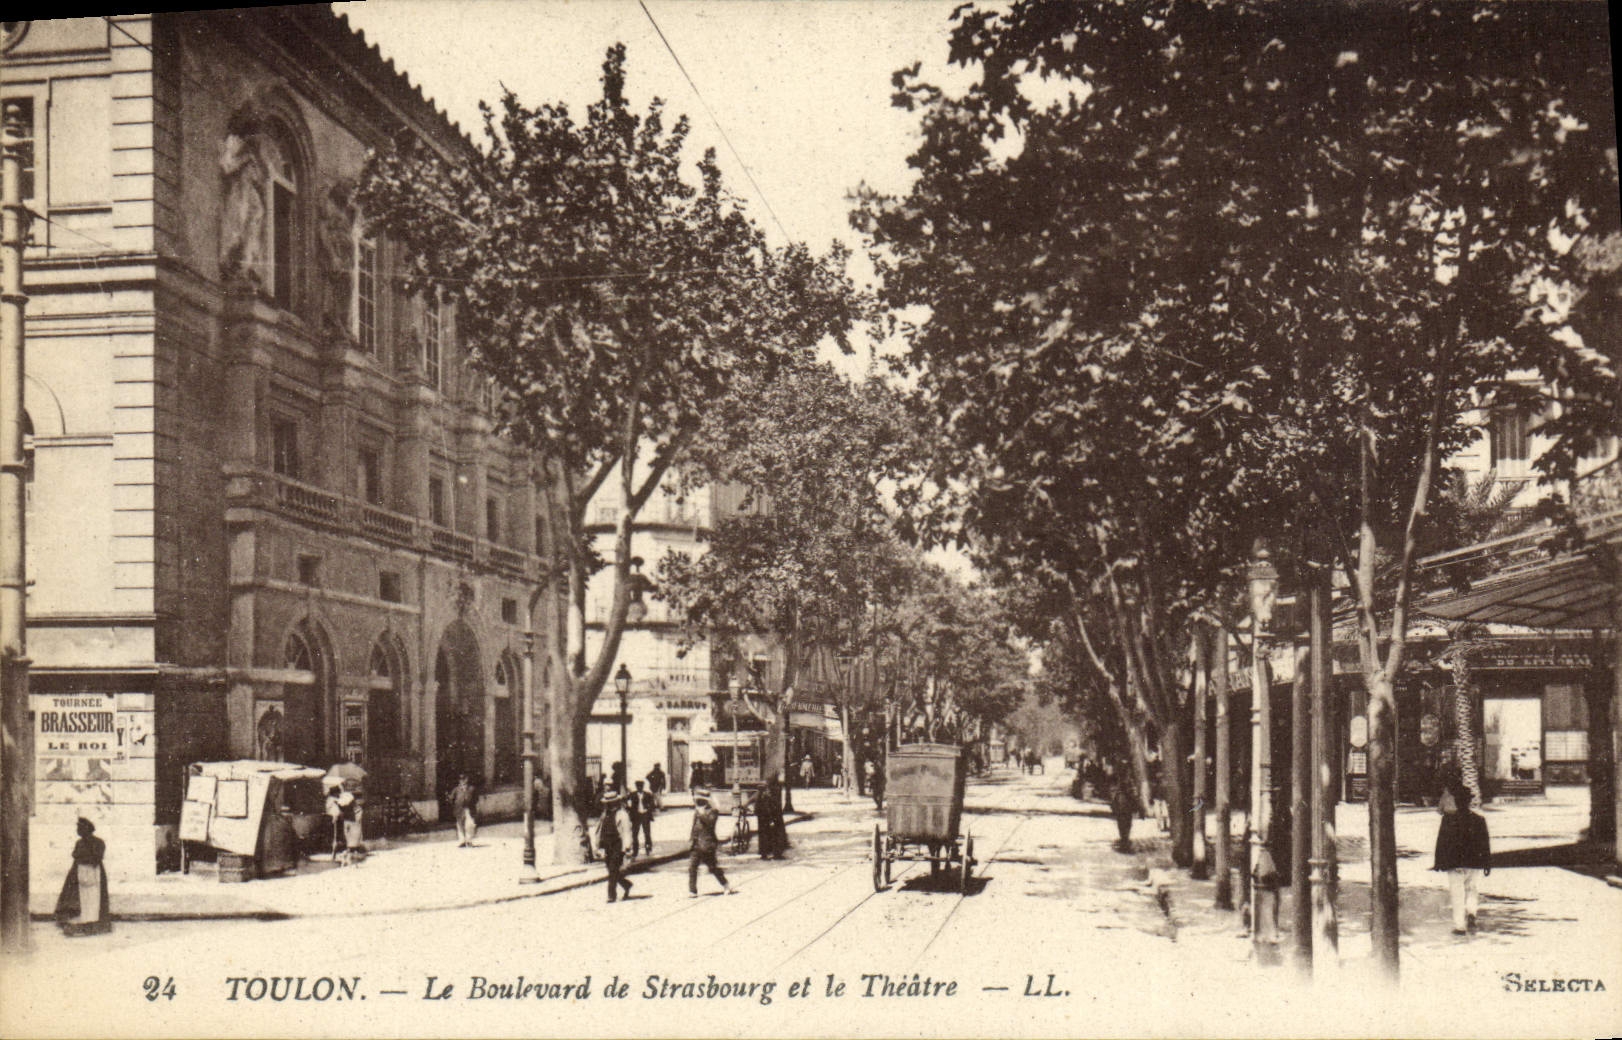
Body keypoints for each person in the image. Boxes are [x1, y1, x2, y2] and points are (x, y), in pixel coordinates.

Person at [1433, 780, 1492, 935]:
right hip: (1474, 862)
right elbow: (1484, 843)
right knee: (1472, 888)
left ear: (1457, 801)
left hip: (1455, 863)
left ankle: (1460, 925)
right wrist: (1487, 863)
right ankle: (1472, 912)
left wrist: (1439, 863)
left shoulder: (1448, 821)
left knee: (1457, 893)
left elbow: (1442, 842)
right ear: (1469, 801)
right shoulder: (1479, 820)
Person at [55, 818, 111, 936]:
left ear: (87, 829)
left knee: (94, 899)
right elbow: (75, 854)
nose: (78, 830)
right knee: (76, 898)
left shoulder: (98, 842)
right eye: (78, 828)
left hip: (94, 873)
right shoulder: (79, 843)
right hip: (78, 872)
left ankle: (93, 925)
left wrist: (84, 858)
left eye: (80, 828)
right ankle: (77, 925)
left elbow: (96, 857)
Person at [687, 787, 736, 898]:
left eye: (699, 799)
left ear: (705, 800)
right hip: (696, 844)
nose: (697, 801)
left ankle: (725, 884)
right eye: (696, 799)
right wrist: (691, 839)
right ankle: (692, 890)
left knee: (712, 867)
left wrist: (701, 814)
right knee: (692, 867)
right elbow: (694, 826)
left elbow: (710, 823)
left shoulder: (712, 811)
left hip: (707, 844)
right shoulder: (697, 811)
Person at [597, 788, 634, 904]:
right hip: (607, 845)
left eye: (610, 802)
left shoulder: (622, 814)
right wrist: (598, 845)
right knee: (611, 870)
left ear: (615, 802)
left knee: (613, 869)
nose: (608, 804)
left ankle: (611, 895)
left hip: (618, 844)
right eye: (607, 803)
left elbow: (627, 831)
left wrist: (627, 847)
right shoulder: (605, 814)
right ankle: (626, 885)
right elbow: (600, 830)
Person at [757, 775, 789, 860]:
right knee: (775, 834)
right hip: (771, 815)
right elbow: (771, 805)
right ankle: (776, 854)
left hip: (763, 816)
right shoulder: (771, 792)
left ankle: (764, 854)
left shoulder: (761, 793)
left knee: (764, 834)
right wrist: (771, 817)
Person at [1110, 773, 1140, 853]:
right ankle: (1125, 839)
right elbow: (1133, 795)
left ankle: (1124, 839)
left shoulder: (1120, 787)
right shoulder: (1127, 782)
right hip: (1125, 808)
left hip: (1122, 808)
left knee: (1122, 825)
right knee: (1126, 824)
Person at [628, 780, 656, 857]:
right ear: (636, 787)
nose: (639, 788)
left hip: (645, 815)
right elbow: (626, 802)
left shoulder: (648, 794)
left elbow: (652, 804)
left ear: (643, 787)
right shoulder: (632, 795)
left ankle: (648, 848)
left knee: (647, 833)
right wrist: (630, 809)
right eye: (638, 787)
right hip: (636, 816)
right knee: (635, 834)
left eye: (641, 786)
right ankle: (635, 850)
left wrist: (647, 810)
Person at [450, 774, 478, 847]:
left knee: (470, 825)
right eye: (460, 779)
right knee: (460, 825)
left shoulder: (472, 789)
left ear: (467, 779)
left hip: (469, 809)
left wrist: (470, 803)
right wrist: (457, 805)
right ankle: (462, 841)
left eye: (464, 779)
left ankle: (469, 841)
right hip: (459, 810)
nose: (462, 781)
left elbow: (476, 798)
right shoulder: (456, 789)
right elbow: (452, 799)